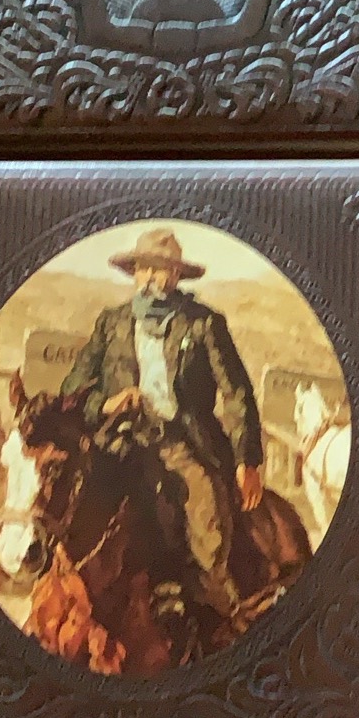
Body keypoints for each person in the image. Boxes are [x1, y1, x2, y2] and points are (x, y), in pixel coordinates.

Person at [60, 227, 265, 622]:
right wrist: (107, 403)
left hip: (179, 442)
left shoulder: (203, 324)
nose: (151, 278)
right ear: (134, 273)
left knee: (206, 514)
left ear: (176, 275)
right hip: (117, 441)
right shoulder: (112, 323)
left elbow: (236, 392)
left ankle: (210, 613)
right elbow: (71, 391)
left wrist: (247, 460)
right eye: (144, 268)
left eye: (160, 269)